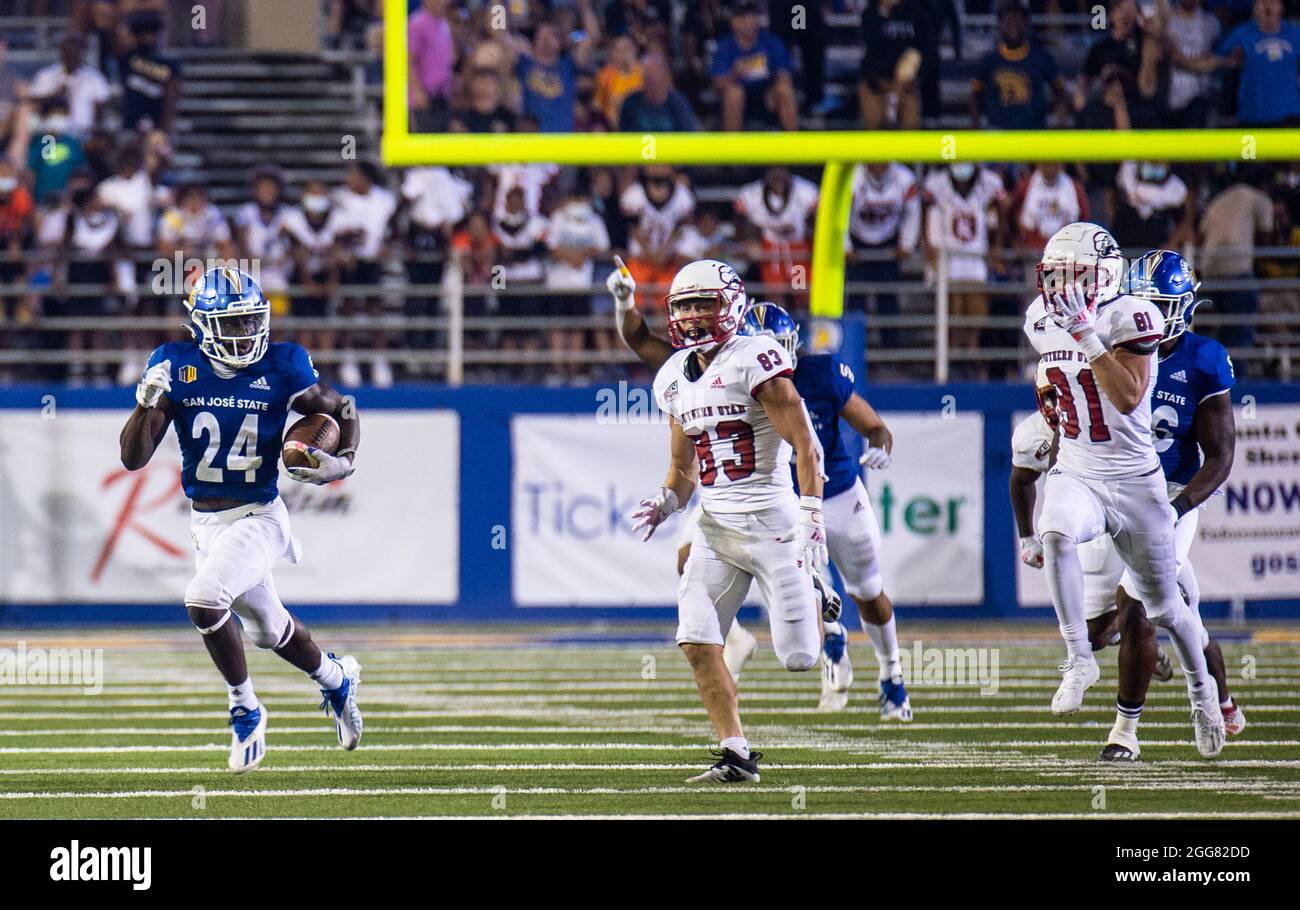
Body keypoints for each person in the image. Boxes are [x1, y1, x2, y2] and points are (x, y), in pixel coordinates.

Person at [118, 266, 363, 773]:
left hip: (261, 515)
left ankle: (245, 708)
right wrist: (144, 405)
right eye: (233, 325)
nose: (246, 334)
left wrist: (345, 459)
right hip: (208, 525)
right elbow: (133, 459)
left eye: (252, 322)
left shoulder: (285, 364)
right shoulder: (175, 365)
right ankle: (337, 679)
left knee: (204, 600)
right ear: (202, 325)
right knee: (271, 631)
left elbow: (344, 408)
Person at [1023, 222, 1224, 757]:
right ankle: (1079, 660)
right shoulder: (1040, 319)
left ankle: (1203, 692)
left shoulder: (1133, 317)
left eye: (1074, 274)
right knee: (1056, 533)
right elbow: (1053, 378)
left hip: (1137, 481)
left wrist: (1088, 332)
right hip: (1081, 469)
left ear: (1105, 275)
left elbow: (1131, 396)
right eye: (1057, 274)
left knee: (1163, 608)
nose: (1062, 285)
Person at [627, 259, 828, 783]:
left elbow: (806, 444)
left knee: (801, 658)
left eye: (703, 304)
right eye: (684, 306)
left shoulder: (756, 357)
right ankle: (736, 753)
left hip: (773, 521)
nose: (693, 316)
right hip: (716, 527)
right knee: (695, 639)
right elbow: (682, 468)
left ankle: (811, 586)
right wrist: (666, 502)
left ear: (732, 304)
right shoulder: (672, 376)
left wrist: (811, 513)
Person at [846, 162, 921, 349]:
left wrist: (906, 244)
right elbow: (838, 215)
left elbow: (913, 213)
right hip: (857, 242)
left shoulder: (904, 178)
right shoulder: (852, 178)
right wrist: (846, 247)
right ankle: (854, 349)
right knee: (856, 301)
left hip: (889, 243)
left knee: (888, 300)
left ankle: (891, 350)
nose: (878, 164)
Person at [970, 1, 1068, 130]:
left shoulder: (1042, 57)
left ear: (1026, 25)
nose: (1013, 28)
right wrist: (976, 125)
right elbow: (975, 95)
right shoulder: (989, 60)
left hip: (1034, 132)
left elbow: (1060, 90)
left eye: (1018, 23)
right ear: (1000, 25)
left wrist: (1061, 120)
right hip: (998, 132)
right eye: (1009, 23)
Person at [710, 0, 798, 131]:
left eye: (751, 16)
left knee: (784, 90)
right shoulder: (725, 46)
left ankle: (793, 144)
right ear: (734, 22)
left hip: (766, 96)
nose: (748, 22)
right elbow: (717, 84)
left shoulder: (771, 41)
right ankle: (732, 147)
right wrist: (734, 74)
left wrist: (773, 89)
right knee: (734, 94)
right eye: (743, 18)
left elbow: (784, 73)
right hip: (739, 99)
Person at [1213, 0, 1300, 126]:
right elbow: (1217, 60)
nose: (1268, 6)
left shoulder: (1294, 32)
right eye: (1263, 2)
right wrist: (1230, 60)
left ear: (1282, 7)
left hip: (1289, 117)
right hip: (1252, 116)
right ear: (1255, 8)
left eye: (1273, 2)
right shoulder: (1242, 33)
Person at [28, 32, 110, 137]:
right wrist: (55, 95)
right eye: (69, 46)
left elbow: (101, 111)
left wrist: (95, 133)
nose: (73, 51)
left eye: (78, 47)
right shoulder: (47, 74)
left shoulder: (95, 78)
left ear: (84, 51)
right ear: (62, 49)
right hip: (50, 133)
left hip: (84, 133)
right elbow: (35, 104)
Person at [118, 9, 181, 133]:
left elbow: (171, 97)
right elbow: (117, 39)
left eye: (150, 32)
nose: (146, 37)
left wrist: (164, 130)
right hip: (129, 127)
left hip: (156, 127)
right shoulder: (127, 59)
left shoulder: (169, 64)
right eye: (141, 32)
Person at [617, 51, 699, 132]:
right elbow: (624, 137)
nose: (653, 83)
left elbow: (687, 138)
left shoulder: (679, 104)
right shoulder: (630, 104)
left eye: (656, 77)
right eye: (648, 78)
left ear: (665, 78)